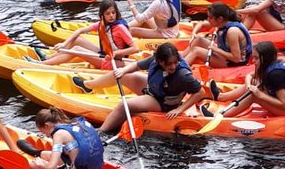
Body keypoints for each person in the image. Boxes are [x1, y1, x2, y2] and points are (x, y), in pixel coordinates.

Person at [72, 43, 208, 136]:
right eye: (169, 64)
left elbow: (200, 92)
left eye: (175, 63)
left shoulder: (183, 75)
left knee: (124, 105)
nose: (173, 66)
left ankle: (101, 131)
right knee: (119, 75)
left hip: (161, 101)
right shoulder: (155, 60)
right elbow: (136, 66)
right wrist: (123, 70)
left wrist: (180, 109)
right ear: (160, 61)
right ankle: (88, 85)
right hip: (153, 89)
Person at [207, 41, 285, 117]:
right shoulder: (273, 64)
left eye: (256, 58)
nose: (253, 61)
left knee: (253, 96)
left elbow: (283, 104)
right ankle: (221, 97)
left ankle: (220, 116)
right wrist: (248, 86)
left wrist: (259, 95)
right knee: (254, 85)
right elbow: (249, 76)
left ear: (265, 58)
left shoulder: (276, 75)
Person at [18, 107, 106, 169]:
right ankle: (36, 152)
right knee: (52, 155)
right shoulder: (77, 123)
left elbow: (51, 167)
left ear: (47, 125)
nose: (47, 136)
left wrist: (40, 163)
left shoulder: (58, 134)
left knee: (35, 164)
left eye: (44, 132)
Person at [40, 0, 138, 69]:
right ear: (102, 15)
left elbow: (135, 48)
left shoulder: (120, 28)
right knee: (77, 40)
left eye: (113, 12)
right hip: (104, 54)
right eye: (107, 13)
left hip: (114, 62)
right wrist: (64, 44)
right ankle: (49, 57)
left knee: (77, 49)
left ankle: (43, 64)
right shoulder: (102, 24)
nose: (111, 16)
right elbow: (79, 31)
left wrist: (115, 53)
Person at [182, 3, 252, 69]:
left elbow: (236, 58)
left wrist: (216, 50)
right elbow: (201, 23)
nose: (208, 19)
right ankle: (180, 59)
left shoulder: (232, 31)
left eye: (210, 17)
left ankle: (181, 69)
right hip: (225, 55)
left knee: (196, 51)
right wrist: (194, 33)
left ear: (220, 19)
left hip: (233, 62)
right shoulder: (222, 22)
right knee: (198, 39)